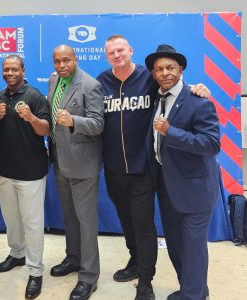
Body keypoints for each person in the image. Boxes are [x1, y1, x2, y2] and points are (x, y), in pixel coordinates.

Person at [97, 35, 211, 300]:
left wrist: (199, 89)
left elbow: (176, 89)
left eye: (121, 50)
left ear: (130, 50)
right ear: (106, 55)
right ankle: (135, 262)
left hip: (144, 168)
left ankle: (146, 281)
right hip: (114, 168)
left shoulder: (149, 79)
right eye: (111, 52)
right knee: (126, 221)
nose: (117, 55)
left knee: (143, 224)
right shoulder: (101, 82)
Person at [146, 44, 220, 300]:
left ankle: (193, 296)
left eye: (170, 68)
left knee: (193, 249)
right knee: (177, 247)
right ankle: (194, 290)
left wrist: (171, 132)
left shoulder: (198, 100)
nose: (165, 73)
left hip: (195, 190)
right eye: (159, 69)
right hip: (168, 187)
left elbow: (211, 144)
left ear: (181, 69)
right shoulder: (157, 97)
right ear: (153, 74)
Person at [0, 55, 50, 299]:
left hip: (31, 172)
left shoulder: (34, 95)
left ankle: (35, 271)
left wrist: (31, 117)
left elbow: (46, 129)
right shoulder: (0, 96)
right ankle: (17, 254)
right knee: (11, 219)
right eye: (6, 69)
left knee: (32, 223)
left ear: (23, 70)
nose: (10, 73)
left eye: (14, 69)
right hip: (5, 169)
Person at [47, 45, 104, 300]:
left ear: (75, 59)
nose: (61, 65)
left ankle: (89, 277)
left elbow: (98, 124)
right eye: (57, 61)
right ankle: (73, 258)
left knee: (86, 221)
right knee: (69, 217)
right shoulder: (53, 81)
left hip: (83, 164)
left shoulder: (90, 85)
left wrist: (74, 122)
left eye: (66, 60)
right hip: (59, 160)